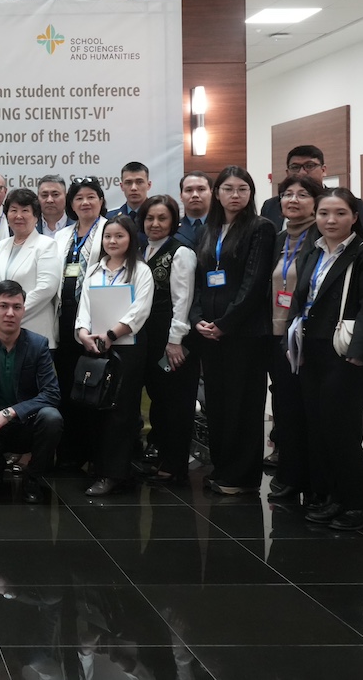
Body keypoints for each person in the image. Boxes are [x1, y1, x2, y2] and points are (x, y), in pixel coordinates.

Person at [290, 189, 363, 531]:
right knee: (318, 427)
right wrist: (292, 342)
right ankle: (331, 496)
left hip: (345, 352)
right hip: (311, 349)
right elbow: (301, 299)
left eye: (340, 213)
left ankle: (357, 505)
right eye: (324, 213)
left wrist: (359, 353)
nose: (331, 220)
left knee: (342, 429)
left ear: (354, 217)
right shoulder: (313, 251)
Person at [190, 166, 276, 495]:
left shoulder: (260, 228)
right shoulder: (208, 230)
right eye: (228, 189)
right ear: (217, 193)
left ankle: (242, 475)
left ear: (251, 193)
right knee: (218, 404)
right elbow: (200, 280)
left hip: (244, 333)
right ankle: (223, 468)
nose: (235, 195)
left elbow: (254, 283)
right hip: (209, 332)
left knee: (243, 403)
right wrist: (198, 318)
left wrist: (226, 324)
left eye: (242, 189)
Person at [0, 280, 63, 504]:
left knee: (52, 418)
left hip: (25, 425)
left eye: (16, 307)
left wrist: (11, 412)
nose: (10, 313)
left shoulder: (38, 344)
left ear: (24, 310)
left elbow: (52, 393)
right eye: (3, 306)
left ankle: (32, 478)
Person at [74, 216, 154, 495]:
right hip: (96, 347)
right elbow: (84, 306)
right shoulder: (95, 270)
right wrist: (83, 333)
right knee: (97, 407)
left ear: (131, 238)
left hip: (127, 347)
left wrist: (111, 334)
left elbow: (139, 311)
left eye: (119, 236)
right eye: (108, 236)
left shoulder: (141, 271)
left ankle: (114, 473)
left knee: (122, 411)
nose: (112, 241)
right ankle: (99, 466)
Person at [264, 175, 323, 503]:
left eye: (303, 195)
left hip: (307, 336)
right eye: (288, 194)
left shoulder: (321, 237)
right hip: (277, 337)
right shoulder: (277, 238)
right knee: (285, 409)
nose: (294, 200)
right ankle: (290, 476)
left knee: (310, 410)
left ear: (315, 202)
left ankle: (316, 481)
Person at [135, 195, 199, 487]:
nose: (155, 224)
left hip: (172, 341)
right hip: (149, 339)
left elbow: (182, 300)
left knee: (176, 402)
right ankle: (162, 459)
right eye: (150, 218)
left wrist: (175, 341)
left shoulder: (181, 252)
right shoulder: (142, 250)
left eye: (162, 218)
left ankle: (175, 466)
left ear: (174, 221)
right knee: (160, 400)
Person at [52, 177, 108, 467]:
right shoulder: (62, 236)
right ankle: (69, 454)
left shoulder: (110, 230)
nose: (85, 202)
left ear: (101, 200)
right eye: (79, 198)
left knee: (93, 386)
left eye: (91, 197)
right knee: (67, 385)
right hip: (64, 320)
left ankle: (95, 454)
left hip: (96, 320)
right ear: (71, 204)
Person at [0, 188, 63, 344]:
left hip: (34, 332)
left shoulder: (46, 245)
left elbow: (46, 288)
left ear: (36, 216)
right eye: (13, 210)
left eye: (25, 210)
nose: (18, 216)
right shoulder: (1, 246)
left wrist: (12, 312)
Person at [259, 145, 363, 237]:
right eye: (295, 167)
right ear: (287, 172)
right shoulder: (271, 205)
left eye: (309, 166)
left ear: (323, 170)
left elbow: (361, 242)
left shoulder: (346, 203)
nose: (302, 172)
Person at [106, 161, 152, 229]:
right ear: (122, 186)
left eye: (139, 182)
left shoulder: (158, 217)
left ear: (148, 185)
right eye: (128, 183)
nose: (133, 188)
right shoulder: (109, 218)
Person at [174, 171, 212, 248]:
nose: (195, 195)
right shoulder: (173, 228)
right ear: (181, 196)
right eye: (189, 190)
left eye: (201, 189)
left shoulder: (222, 226)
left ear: (212, 193)